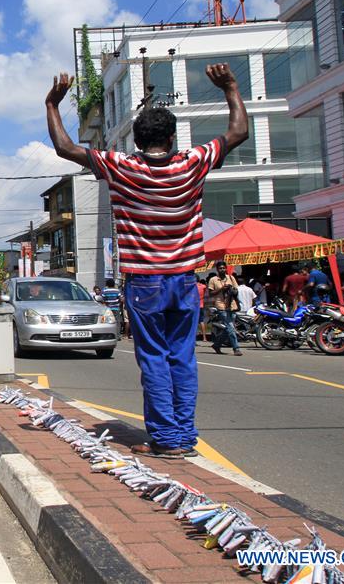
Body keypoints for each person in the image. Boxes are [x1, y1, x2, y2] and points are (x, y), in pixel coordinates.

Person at [46, 62, 248, 459]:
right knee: (182, 358)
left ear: (136, 141)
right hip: (186, 279)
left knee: (154, 358)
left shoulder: (123, 167)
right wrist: (231, 87)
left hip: (144, 283)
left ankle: (167, 438)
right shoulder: (193, 163)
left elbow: (65, 148)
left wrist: (53, 104)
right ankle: (184, 436)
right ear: (172, 138)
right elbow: (239, 130)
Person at [208, 261, 242, 356]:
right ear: (217, 269)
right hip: (221, 306)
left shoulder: (231, 278)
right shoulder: (213, 280)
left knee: (228, 328)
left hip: (232, 305)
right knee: (230, 326)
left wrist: (231, 289)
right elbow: (211, 293)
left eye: (223, 268)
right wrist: (221, 289)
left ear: (226, 268)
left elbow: (236, 290)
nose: (222, 270)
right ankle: (236, 348)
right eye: (220, 268)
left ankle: (217, 344)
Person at [196, 277, 208, 342]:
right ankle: (204, 337)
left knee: (194, 322)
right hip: (201, 305)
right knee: (201, 321)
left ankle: (195, 337)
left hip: (194, 305)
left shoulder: (193, 286)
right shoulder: (203, 286)